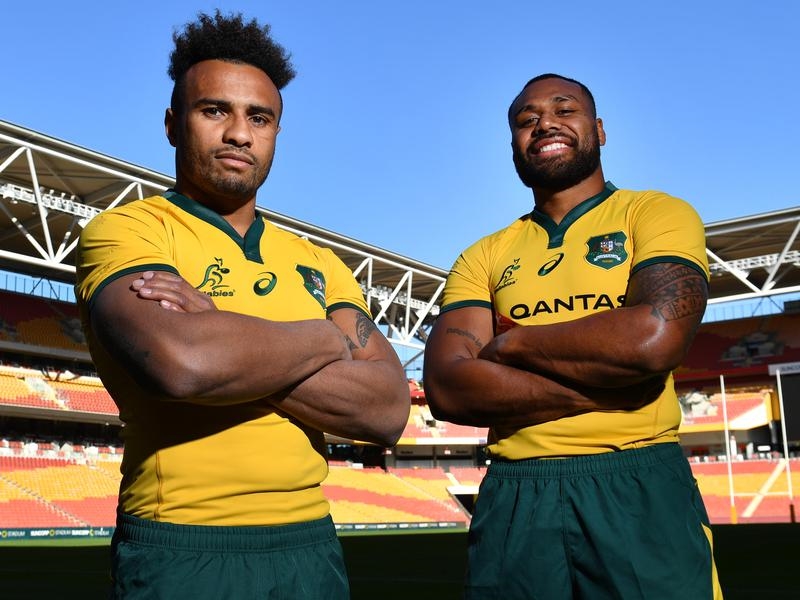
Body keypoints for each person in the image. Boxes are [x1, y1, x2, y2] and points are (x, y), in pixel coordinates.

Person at [74, 11, 409, 599]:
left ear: (276, 132)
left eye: (259, 117)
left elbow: (385, 411)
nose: (239, 134)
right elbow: (183, 364)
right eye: (214, 111)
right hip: (183, 545)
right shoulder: (129, 231)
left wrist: (222, 331)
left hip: (312, 546)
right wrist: (328, 339)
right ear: (172, 125)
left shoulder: (319, 262)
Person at [423, 73, 723, 599]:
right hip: (516, 493)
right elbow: (448, 388)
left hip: (638, 479)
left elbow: (654, 338)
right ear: (514, 145)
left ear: (599, 130)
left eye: (565, 110)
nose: (545, 124)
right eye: (527, 120)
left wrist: (511, 345)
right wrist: (610, 385)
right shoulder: (482, 255)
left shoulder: (654, 213)